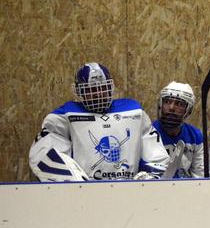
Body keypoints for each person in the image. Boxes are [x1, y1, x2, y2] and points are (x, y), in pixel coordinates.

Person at [29, 62, 168, 182]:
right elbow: (45, 154)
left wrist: (152, 177)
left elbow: (156, 154)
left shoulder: (134, 111)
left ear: (110, 87)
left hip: (130, 191)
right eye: (91, 89)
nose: (98, 93)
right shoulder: (65, 115)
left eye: (102, 87)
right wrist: (75, 183)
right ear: (79, 92)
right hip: (85, 195)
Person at [153, 82, 204, 178]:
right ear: (161, 104)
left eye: (179, 104)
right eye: (167, 102)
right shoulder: (148, 134)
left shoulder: (195, 136)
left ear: (188, 110)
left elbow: (199, 175)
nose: (171, 108)